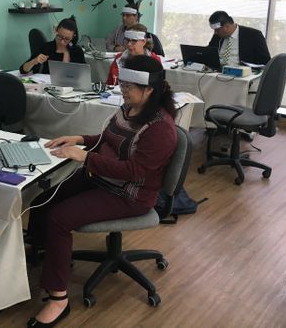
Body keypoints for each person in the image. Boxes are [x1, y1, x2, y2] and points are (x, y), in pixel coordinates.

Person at [26, 55, 178, 327]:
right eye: (122, 83)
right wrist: (79, 139)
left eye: (128, 86)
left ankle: (58, 300)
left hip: (130, 194)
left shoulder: (160, 128)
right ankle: (42, 253)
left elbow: (134, 171)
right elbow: (107, 139)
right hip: (101, 176)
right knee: (44, 198)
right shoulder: (129, 107)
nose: (122, 89)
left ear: (149, 89)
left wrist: (84, 157)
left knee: (60, 218)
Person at [20, 16, 85, 74]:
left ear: (73, 37)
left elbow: (84, 74)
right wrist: (34, 61)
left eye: (67, 39)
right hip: (48, 83)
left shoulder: (77, 51)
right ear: (56, 31)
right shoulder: (46, 47)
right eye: (60, 36)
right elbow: (22, 70)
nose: (62, 42)